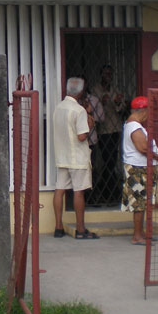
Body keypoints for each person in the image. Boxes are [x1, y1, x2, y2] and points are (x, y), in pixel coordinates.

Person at [52, 77, 99, 239]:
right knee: (79, 191)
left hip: (62, 155)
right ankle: (80, 229)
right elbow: (81, 136)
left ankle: (58, 227)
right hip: (77, 157)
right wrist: (90, 127)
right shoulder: (79, 111)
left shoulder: (58, 108)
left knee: (60, 190)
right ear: (80, 91)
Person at [121, 95, 158, 245]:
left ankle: (141, 233)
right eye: (149, 110)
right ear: (142, 110)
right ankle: (137, 236)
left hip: (141, 167)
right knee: (139, 204)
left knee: (142, 203)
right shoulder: (134, 126)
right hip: (138, 169)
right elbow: (143, 147)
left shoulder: (133, 125)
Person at [91, 64, 127, 204]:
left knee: (113, 158)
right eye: (106, 74)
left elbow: (122, 108)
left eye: (110, 74)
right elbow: (92, 108)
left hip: (115, 128)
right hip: (103, 130)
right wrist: (102, 102)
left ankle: (109, 189)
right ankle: (107, 189)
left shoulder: (114, 89)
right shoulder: (95, 90)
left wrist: (118, 102)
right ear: (101, 75)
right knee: (107, 160)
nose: (108, 76)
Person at [76, 76, 104, 205]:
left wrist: (89, 112)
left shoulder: (94, 100)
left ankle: (92, 197)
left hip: (91, 140)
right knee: (78, 172)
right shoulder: (73, 102)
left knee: (93, 169)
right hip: (76, 142)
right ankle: (80, 197)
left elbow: (101, 118)